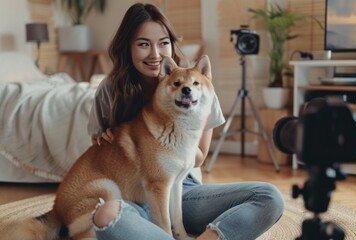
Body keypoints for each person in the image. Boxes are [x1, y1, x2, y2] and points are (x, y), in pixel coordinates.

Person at [87, 3, 285, 240]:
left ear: (172, 44)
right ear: (127, 47)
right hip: (133, 193)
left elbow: (200, 155)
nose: (155, 54)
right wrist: (104, 141)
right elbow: (98, 156)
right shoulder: (110, 90)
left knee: (270, 197)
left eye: (163, 43)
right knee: (106, 215)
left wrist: (166, 142)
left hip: (184, 191)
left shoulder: (198, 89)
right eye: (143, 44)